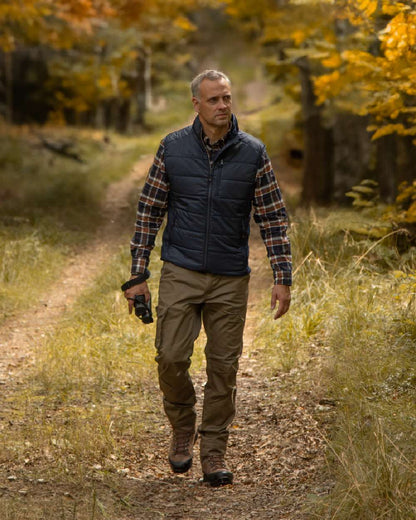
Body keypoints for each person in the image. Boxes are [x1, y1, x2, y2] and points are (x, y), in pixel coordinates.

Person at [123, 70, 292, 487]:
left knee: (223, 368)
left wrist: (282, 276)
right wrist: (137, 274)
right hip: (180, 270)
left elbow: (272, 218)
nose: (222, 105)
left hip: (230, 277)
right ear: (196, 104)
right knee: (171, 357)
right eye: (214, 99)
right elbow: (149, 210)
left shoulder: (253, 153)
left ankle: (213, 450)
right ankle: (183, 425)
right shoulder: (173, 148)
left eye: (227, 98)